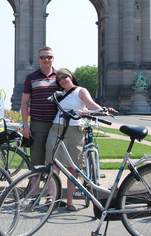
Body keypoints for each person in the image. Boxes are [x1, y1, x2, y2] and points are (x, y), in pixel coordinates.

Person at [45, 68, 114, 211]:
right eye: (59, 79)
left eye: (64, 77)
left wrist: (103, 110)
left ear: (71, 77)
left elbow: (91, 105)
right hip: (57, 128)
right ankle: (51, 199)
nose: (62, 80)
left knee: (73, 166)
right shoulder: (59, 94)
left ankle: (70, 201)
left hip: (75, 130)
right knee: (54, 164)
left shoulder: (81, 91)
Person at [20, 46, 58, 165]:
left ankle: (51, 184)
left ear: (53, 58)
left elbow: (72, 93)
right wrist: (25, 126)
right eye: (43, 57)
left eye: (49, 57)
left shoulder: (60, 76)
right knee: (36, 160)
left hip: (57, 123)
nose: (46, 59)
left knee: (54, 160)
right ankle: (35, 183)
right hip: (38, 124)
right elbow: (25, 102)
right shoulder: (31, 77)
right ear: (38, 59)